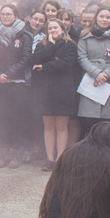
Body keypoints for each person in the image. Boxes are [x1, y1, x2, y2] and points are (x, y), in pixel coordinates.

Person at [30, 17, 80, 169]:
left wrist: (44, 67)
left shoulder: (70, 45)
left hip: (63, 90)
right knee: (48, 126)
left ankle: (60, 159)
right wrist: (50, 46)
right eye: (50, 28)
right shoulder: (42, 45)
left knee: (62, 126)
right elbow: (34, 59)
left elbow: (65, 64)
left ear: (62, 30)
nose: (52, 31)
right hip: (44, 91)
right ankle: (50, 159)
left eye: (55, 28)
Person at [0, 2, 35, 167]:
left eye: (9, 14)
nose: (5, 17)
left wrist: (9, 74)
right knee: (1, 119)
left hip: (17, 83)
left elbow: (26, 58)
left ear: (16, 16)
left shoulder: (25, 35)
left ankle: (15, 154)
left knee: (16, 119)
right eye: (3, 14)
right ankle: (1, 154)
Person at [75, 4, 110, 123]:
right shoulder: (85, 35)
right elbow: (82, 57)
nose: (104, 20)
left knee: (108, 121)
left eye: (108, 17)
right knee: (89, 120)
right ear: (96, 17)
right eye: (102, 16)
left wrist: (106, 75)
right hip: (91, 78)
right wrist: (96, 73)